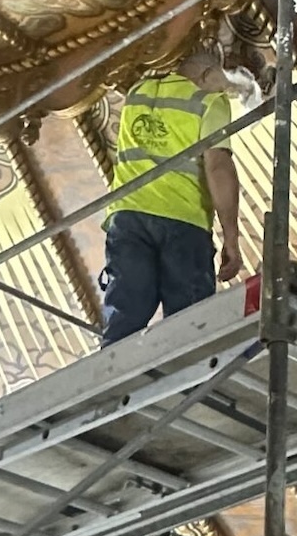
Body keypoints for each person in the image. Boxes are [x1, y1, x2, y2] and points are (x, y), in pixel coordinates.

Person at [101, 46, 242, 344]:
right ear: (206, 73)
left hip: (127, 215)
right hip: (182, 218)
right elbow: (218, 166)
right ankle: (191, 380)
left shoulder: (137, 94)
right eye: (220, 77)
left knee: (127, 305)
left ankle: (111, 376)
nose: (224, 85)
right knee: (189, 317)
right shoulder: (210, 102)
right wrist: (231, 236)